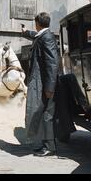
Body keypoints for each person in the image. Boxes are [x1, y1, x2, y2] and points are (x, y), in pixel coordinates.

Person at [21, 12, 60, 157]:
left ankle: (50, 147)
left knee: (47, 115)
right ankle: (45, 144)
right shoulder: (43, 35)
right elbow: (35, 35)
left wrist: (50, 88)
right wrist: (25, 32)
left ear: (38, 23)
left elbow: (52, 63)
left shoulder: (47, 37)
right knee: (42, 113)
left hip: (46, 84)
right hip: (43, 82)